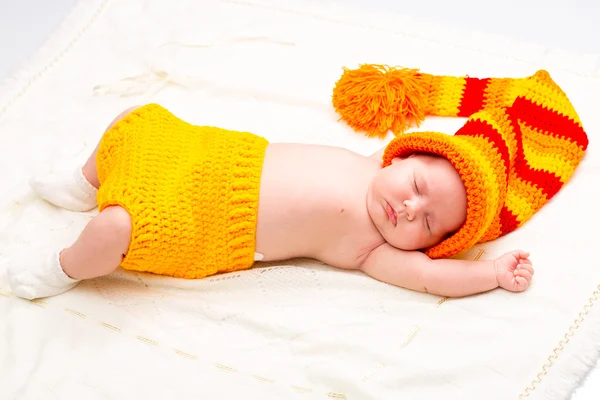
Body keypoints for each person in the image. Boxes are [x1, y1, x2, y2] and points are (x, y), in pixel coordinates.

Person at [7, 66, 588, 300]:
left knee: (117, 227)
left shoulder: (373, 249)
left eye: (429, 222)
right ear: (398, 157)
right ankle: (85, 182)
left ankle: (65, 267)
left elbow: (433, 277)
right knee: (136, 121)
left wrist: (490, 273)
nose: (409, 209)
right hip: (213, 154)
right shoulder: (369, 165)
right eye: (415, 185)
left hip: (211, 222)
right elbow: (465, 147)